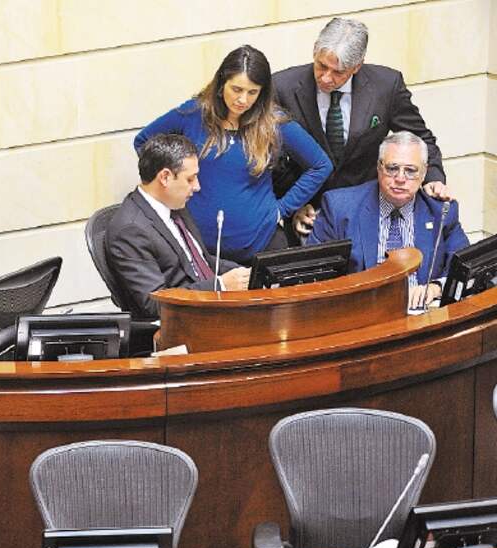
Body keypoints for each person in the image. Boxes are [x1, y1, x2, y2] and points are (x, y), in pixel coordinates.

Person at [134, 45, 331, 265]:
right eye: (237, 89)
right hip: (201, 250)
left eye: (252, 92)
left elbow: (320, 165)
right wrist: (172, 187)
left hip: (263, 243)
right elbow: (143, 141)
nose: (243, 100)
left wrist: (282, 209)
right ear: (221, 84)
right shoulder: (193, 113)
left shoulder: (272, 121)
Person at [274, 17, 448, 241]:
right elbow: (272, 158)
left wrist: (433, 178)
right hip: (310, 215)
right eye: (322, 66)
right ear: (315, 51)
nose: (326, 78)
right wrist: (295, 203)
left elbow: (420, 139)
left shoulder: (386, 86)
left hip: (368, 211)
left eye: (338, 72)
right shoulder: (282, 87)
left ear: (357, 66)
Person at [307, 132, 468, 308]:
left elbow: (465, 267)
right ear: (379, 168)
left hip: (423, 314)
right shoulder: (339, 207)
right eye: (392, 168)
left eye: (410, 171)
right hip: (360, 312)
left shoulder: (441, 211)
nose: (400, 178)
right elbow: (315, 274)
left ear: (424, 173)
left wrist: (436, 288)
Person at [106, 133, 250, 320]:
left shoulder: (174, 205)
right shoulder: (130, 230)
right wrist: (220, 286)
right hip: (184, 322)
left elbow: (202, 261)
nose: (197, 186)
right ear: (165, 177)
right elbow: (154, 303)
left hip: (213, 308)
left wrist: (247, 274)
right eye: (190, 179)